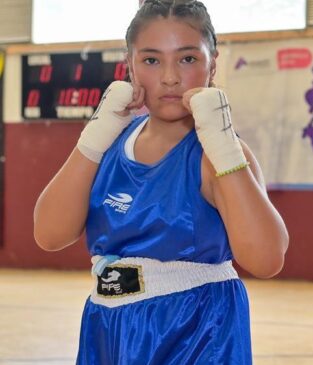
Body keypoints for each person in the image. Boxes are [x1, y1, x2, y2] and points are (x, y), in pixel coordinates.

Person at [33, 0, 288, 363]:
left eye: (187, 59)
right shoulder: (110, 142)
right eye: (151, 60)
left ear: (212, 64)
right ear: (130, 67)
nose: (170, 77)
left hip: (195, 330)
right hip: (108, 326)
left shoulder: (218, 155)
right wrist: (94, 137)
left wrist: (225, 148)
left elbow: (266, 259)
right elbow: (49, 234)